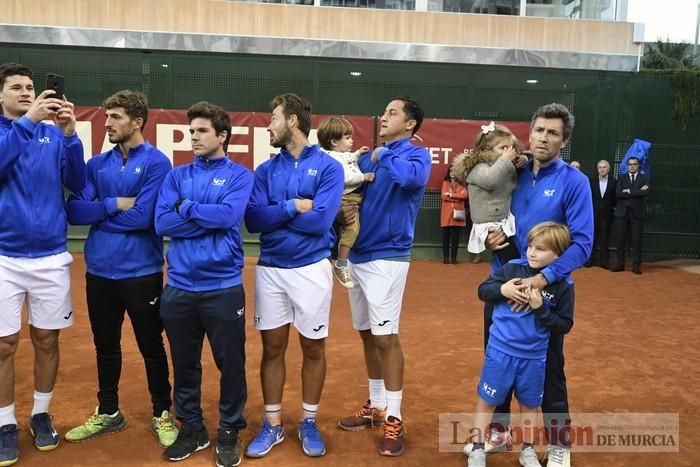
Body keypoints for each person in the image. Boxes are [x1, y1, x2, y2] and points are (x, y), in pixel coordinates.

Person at [482, 103, 592, 467]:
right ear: (529, 132)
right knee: (498, 360)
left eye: (553, 133)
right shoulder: (512, 172)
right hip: (503, 283)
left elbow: (583, 243)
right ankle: (498, 433)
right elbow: (490, 210)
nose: (544, 138)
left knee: (549, 371)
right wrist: (490, 239)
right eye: (540, 130)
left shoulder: (574, 182)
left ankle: (559, 443)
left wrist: (543, 279)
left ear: (565, 140)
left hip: (545, 290)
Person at [64, 90, 177, 447]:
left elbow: (145, 218)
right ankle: (109, 411)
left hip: (141, 272)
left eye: (115, 117)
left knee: (151, 345)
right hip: (99, 272)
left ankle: (162, 412)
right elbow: (74, 212)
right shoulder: (97, 165)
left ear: (137, 121)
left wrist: (100, 213)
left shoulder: (158, 164)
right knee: (105, 345)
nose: (107, 123)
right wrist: (114, 204)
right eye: (106, 116)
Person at [244, 94, 343, 459]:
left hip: (311, 270)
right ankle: (272, 424)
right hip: (270, 269)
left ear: (293, 122)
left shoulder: (329, 168)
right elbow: (253, 221)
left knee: (313, 347)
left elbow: (320, 222)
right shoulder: (265, 171)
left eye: (273, 118)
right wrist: (292, 206)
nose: (268, 125)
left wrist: (277, 214)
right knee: (272, 349)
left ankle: (309, 420)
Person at [155, 101, 253, 467]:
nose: (193, 137)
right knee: (184, 363)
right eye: (190, 131)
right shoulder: (176, 177)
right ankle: (192, 428)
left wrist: (185, 208)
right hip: (179, 287)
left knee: (231, 363)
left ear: (222, 135)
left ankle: (229, 429)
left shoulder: (241, 176)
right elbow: (162, 224)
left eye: (201, 131)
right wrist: (203, 216)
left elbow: (228, 216)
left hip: (223, 287)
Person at [0, 62, 86, 465]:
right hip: (4, 257)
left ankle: (39, 414)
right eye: (16, 87)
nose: (26, 92)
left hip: (51, 256)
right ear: (0, 95)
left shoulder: (52, 134)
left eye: (30, 87)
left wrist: (70, 135)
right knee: (4, 345)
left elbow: (78, 182)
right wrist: (27, 124)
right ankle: (4, 422)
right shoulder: (12, 130)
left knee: (47, 340)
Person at [338, 96, 431, 457]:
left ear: (409, 124)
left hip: (388, 258)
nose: (384, 117)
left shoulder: (415, 156)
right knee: (366, 333)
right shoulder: (365, 156)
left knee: (385, 337)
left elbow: (409, 179)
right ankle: (376, 406)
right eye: (384, 112)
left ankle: (394, 416)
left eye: (393, 113)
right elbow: (347, 189)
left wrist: (382, 154)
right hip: (357, 255)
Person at [467, 222, 574, 467]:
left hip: (534, 358)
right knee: (487, 400)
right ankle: (477, 448)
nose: (531, 253)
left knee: (530, 405)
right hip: (500, 353)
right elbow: (483, 290)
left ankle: (527, 450)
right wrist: (503, 289)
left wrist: (540, 309)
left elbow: (564, 325)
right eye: (530, 247)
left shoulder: (563, 285)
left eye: (540, 249)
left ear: (558, 255)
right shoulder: (512, 268)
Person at [316, 116, 375, 287]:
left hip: (352, 198)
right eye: (347, 138)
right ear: (334, 141)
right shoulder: (332, 159)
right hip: (346, 199)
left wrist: (357, 154)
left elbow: (347, 159)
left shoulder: (338, 154)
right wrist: (363, 177)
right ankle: (341, 263)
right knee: (353, 230)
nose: (351, 141)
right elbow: (345, 177)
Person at [451, 121, 521, 262]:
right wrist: (506, 161)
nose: (509, 152)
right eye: (503, 148)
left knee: (513, 259)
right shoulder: (478, 167)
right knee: (511, 261)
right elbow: (490, 180)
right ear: (487, 150)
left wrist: (522, 159)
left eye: (511, 148)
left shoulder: (502, 165)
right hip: (490, 223)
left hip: (503, 219)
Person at [610, 156, 649, 275]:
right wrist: (637, 192)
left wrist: (629, 191)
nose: (632, 166)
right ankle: (620, 264)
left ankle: (636, 266)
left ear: (638, 165)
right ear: (627, 166)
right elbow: (618, 194)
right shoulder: (621, 178)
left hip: (637, 214)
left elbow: (646, 192)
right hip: (622, 214)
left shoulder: (644, 178)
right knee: (620, 240)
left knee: (637, 241)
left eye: (634, 164)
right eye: (630, 164)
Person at [585, 160, 616, 268]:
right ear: (597, 169)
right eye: (600, 167)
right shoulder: (591, 181)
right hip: (593, 214)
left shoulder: (614, 182)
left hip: (607, 215)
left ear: (608, 169)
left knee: (605, 239)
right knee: (592, 238)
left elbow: (615, 198)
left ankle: (604, 262)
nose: (602, 169)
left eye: (604, 167)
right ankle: (589, 260)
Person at [440, 164, 468, 264]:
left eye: (454, 171)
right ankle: (446, 258)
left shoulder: (462, 185)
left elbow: (464, 195)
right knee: (446, 238)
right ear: (448, 172)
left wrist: (451, 195)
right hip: (446, 215)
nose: (452, 173)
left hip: (458, 215)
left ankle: (454, 258)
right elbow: (444, 197)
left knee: (455, 239)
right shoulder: (445, 183)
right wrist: (457, 197)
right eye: (451, 171)